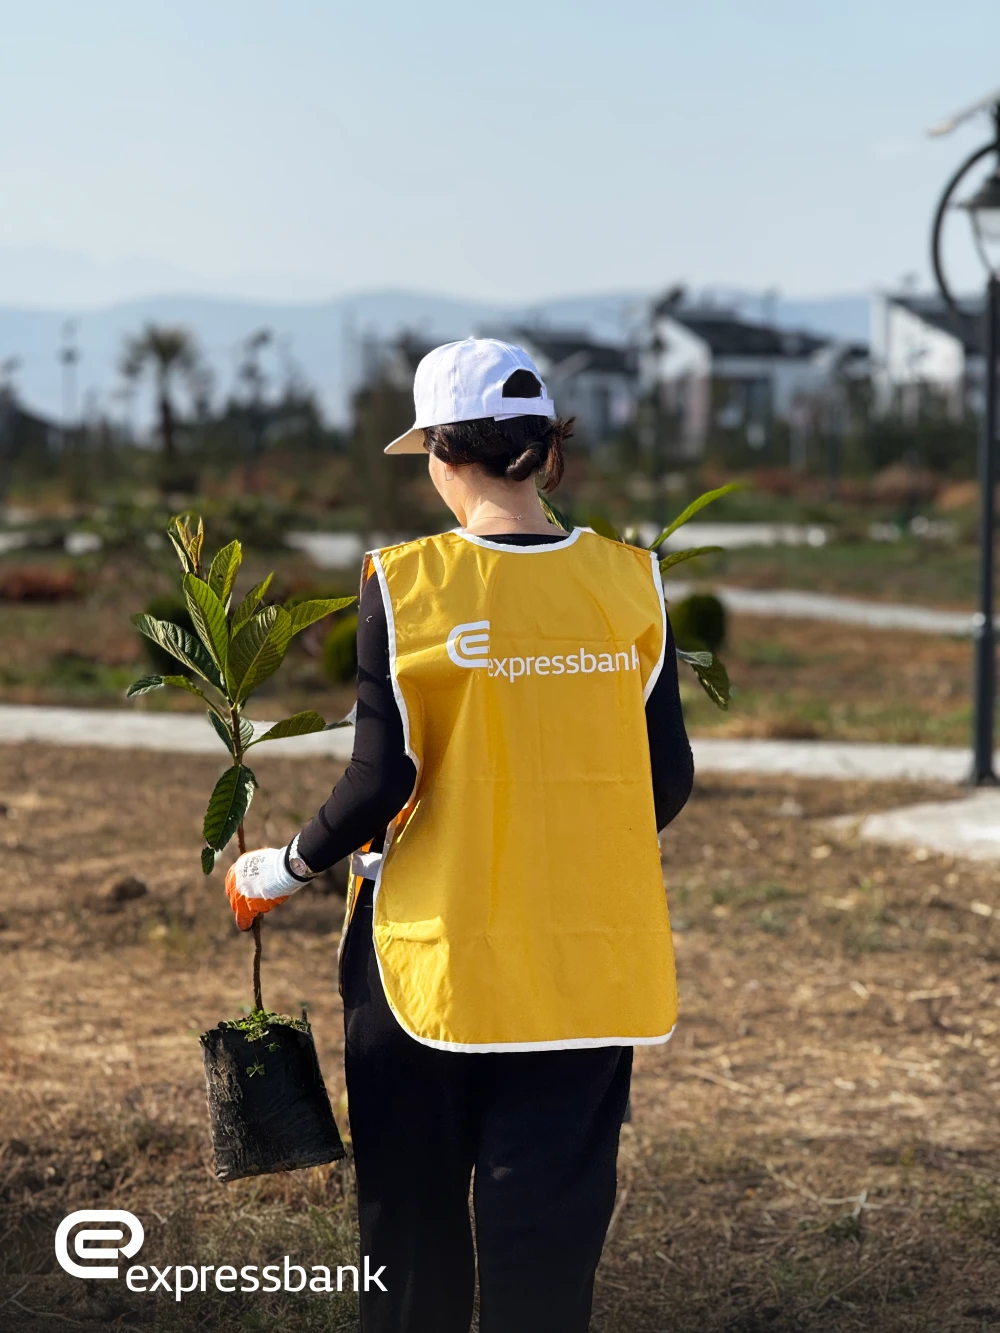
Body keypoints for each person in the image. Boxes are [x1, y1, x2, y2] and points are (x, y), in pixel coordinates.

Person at [225, 337, 694, 1333]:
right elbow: (665, 784)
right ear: (548, 451)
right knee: (546, 1245)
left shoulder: (408, 585)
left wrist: (283, 866)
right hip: (587, 966)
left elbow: (382, 779)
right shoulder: (629, 584)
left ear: (442, 452)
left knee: (411, 1235)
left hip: (430, 963)